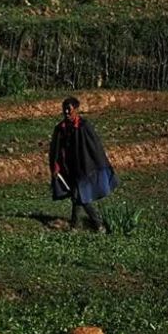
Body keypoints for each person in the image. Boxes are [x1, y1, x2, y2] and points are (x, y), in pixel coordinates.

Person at [48, 96, 119, 232]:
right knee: (79, 196)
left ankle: (83, 226)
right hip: (70, 168)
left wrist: (97, 165)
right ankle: (93, 225)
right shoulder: (61, 128)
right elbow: (56, 150)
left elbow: (94, 148)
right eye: (65, 110)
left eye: (69, 110)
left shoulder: (84, 127)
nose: (66, 113)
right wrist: (56, 167)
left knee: (78, 196)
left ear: (76, 110)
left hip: (85, 167)